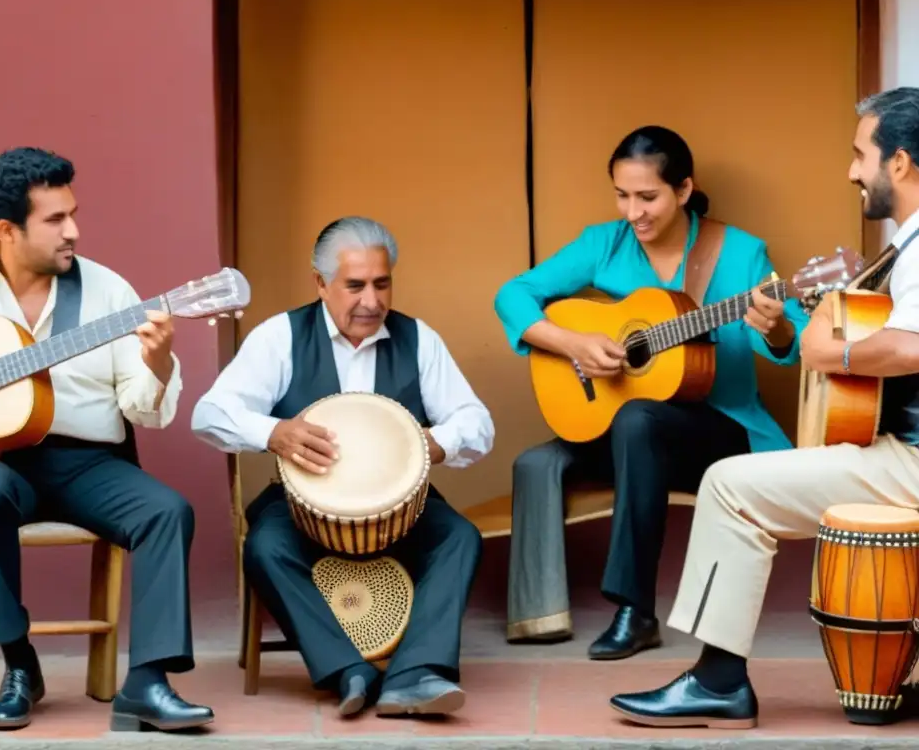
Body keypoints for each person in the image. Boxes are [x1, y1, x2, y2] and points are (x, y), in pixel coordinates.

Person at [608, 86, 919, 729]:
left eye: (861, 154)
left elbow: (908, 346)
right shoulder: (905, 247)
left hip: (910, 462)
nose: (852, 170)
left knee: (727, 485)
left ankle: (718, 681)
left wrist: (824, 350)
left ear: (900, 163)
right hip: (900, 453)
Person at [0, 147, 214, 732]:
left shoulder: (110, 292)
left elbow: (143, 411)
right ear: (7, 231)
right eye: (55, 220)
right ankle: (19, 664)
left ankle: (147, 683)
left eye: (73, 214)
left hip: (87, 462)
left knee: (167, 511)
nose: (74, 231)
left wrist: (160, 361)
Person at [493, 125, 809, 657]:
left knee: (639, 418)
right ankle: (539, 614)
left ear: (684, 190)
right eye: (622, 195)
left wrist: (774, 324)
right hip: (627, 434)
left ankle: (634, 612)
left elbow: (793, 340)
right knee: (542, 459)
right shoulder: (603, 243)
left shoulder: (740, 253)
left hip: (716, 427)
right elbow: (513, 295)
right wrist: (573, 343)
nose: (632, 212)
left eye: (648, 197)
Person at [191, 216, 493, 718]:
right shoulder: (280, 337)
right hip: (302, 505)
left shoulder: (419, 340)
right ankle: (347, 670)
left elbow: (476, 422)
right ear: (320, 283)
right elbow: (210, 413)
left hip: (402, 509)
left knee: (458, 537)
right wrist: (274, 432)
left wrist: (432, 443)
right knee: (265, 547)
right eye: (355, 286)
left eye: (382, 283)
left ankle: (414, 675)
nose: (371, 301)